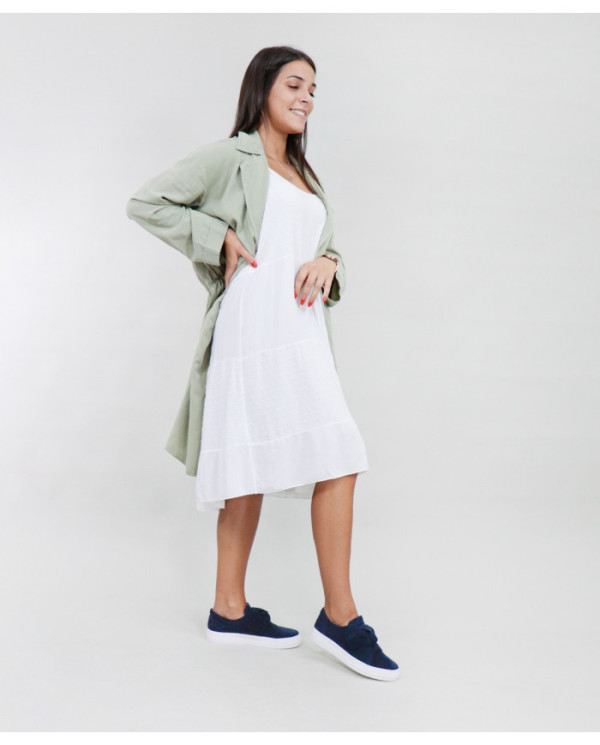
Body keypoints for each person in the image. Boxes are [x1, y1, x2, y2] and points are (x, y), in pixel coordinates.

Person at [126, 46, 399, 681]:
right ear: (263, 88)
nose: (307, 98)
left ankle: (231, 609)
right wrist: (216, 237)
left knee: (328, 452)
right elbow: (147, 203)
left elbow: (318, 246)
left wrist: (330, 262)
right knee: (296, 456)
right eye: (295, 85)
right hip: (252, 327)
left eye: (313, 90)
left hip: (300, 330)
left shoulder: (304, 173)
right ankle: (336, 617)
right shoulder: (233, 156)